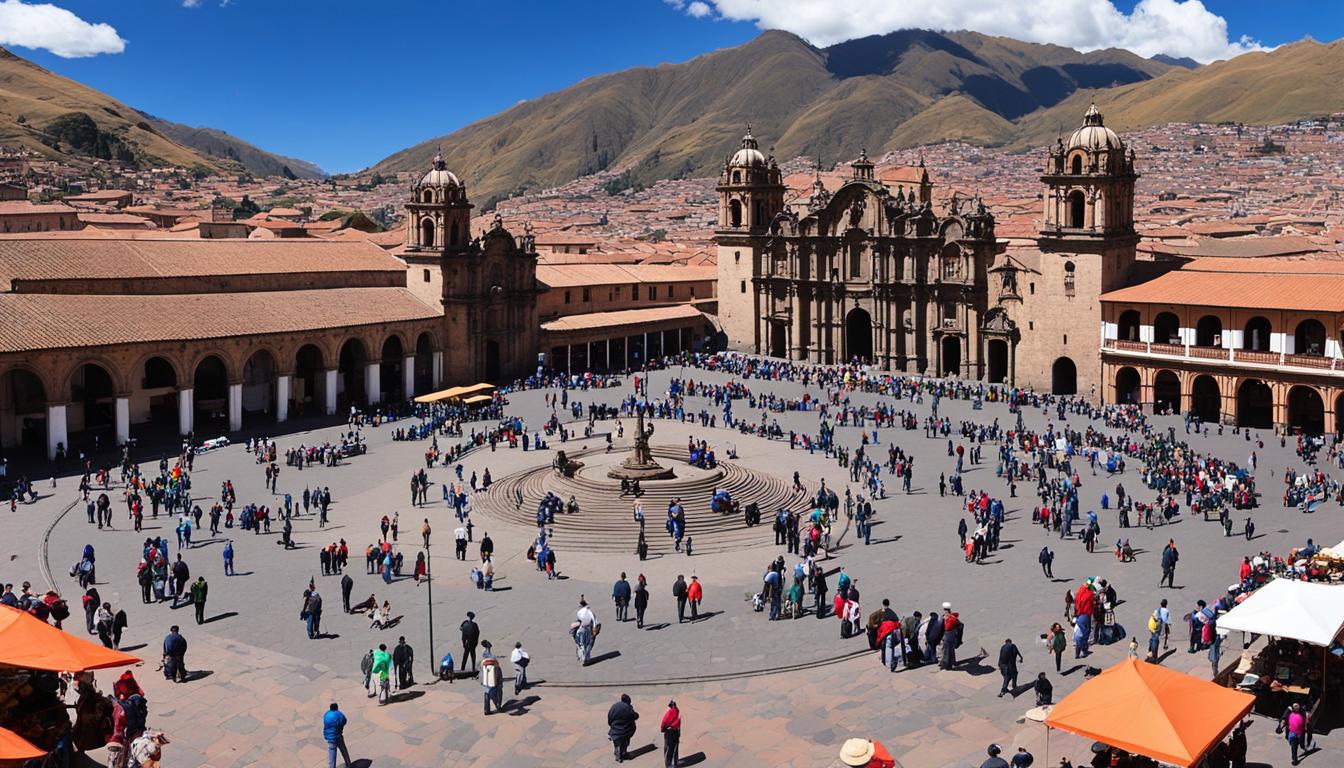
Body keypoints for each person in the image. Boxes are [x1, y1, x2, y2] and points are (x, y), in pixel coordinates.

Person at [607, 693, 639, 763]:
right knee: (625, 741)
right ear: (628, 701)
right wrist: (637, 715)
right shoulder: (628, 707)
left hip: (615, 730)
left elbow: (609, 717)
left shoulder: (614, 706)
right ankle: (624, 753)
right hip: (626, 730)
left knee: (617, 742)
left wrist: (612, 726)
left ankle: (618, 753)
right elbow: (634, 716)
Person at [323, 702, 352, 768]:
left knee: (332, 756)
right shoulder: (339, 714)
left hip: (330, 738)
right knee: (344, 751)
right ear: (337, 707)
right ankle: (349, 764)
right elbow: (344, 721)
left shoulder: (326, 714)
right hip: (338, 736)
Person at [480, 642, 503, 715]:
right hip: (494, 679)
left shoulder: (483, 657)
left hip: (486, 679)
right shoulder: (493, 659)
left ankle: (486, 710)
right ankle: (498, 705)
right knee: (498, 689)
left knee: (487, 692)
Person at [575, 597, 597, 666]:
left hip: (581, 630)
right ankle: (586, 659)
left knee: (582, 644)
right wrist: (594, 631)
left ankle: (583, 658)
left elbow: (578, 621)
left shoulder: (579, 612)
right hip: (589, 630)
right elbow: (594, 622)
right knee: (589, 644)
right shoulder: (590, 612)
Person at [660, 699, 681, 768]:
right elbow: (679, 724)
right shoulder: (678, 712)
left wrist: (662, 729)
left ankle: (669, 765)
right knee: (674, 748)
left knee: (668, 748)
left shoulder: (669, 712)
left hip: (669, 732)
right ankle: (674, 763)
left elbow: (663, 722)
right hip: (675, 732)